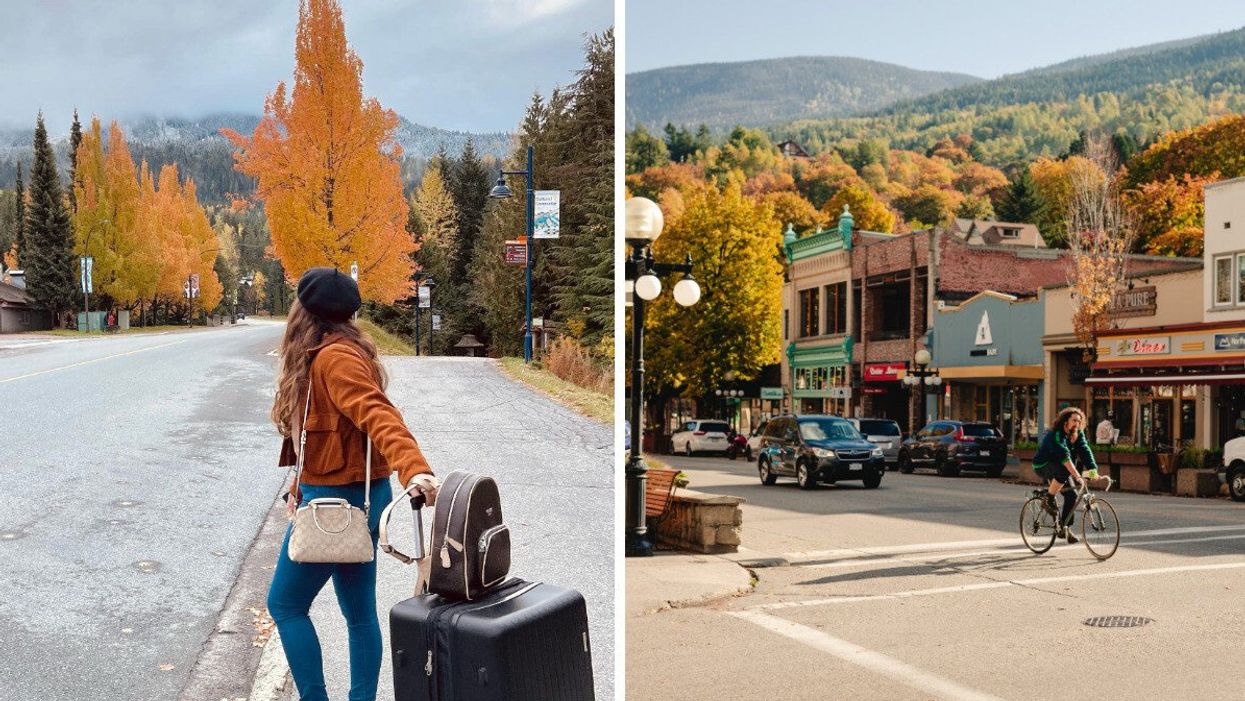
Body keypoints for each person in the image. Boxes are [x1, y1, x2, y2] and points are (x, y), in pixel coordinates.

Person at [269, 267, 439, 701]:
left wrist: (413, 467)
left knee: (285, 605)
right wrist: (297, 482)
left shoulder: (334, 358)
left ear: (304, 311)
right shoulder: (333, 351)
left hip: (337, 502)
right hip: (356, 495)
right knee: (359, 612)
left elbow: (378, 414)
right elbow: (322, 433)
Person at [1032, 406, 1099, 544]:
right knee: (1065, 471)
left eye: (1079, 421)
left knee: (1072, 496)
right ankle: (1049, 497)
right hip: (1043, 465)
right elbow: (1065, 457)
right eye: (1074, 420)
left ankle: (1064, 528)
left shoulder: (1078, 434)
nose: (1077, 424)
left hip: (1063, 467)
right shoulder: (1056, 434)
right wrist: (1077, 476)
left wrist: (1093, 471)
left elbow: (1085, 451)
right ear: (1065, 422)